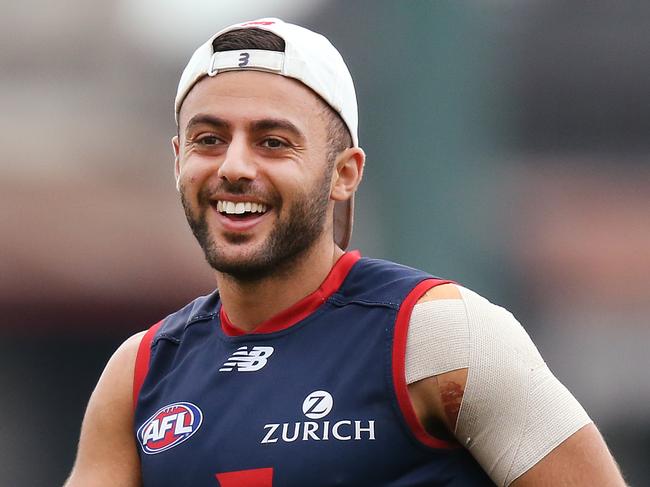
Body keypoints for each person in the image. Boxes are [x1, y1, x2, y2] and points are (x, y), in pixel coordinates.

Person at [64, 18, 626, 487]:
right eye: (208, 139)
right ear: (178, 160)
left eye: (273, 142)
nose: (233, 166)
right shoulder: (139, 372)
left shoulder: (439, 335)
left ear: (343, 174)